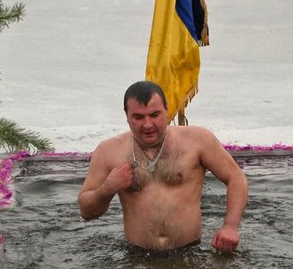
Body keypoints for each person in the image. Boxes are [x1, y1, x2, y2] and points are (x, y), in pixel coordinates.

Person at [77, 81, 248, 252]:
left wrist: (230, 226)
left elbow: (236, 177)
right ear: (127, 115)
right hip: (136, 257)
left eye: (154, 115)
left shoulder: (197, 140)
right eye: (138, 117)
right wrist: (107, 188)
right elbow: (85, 211)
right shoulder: (109, 151)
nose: (148, 124)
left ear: (166, 109)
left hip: (189, 255)